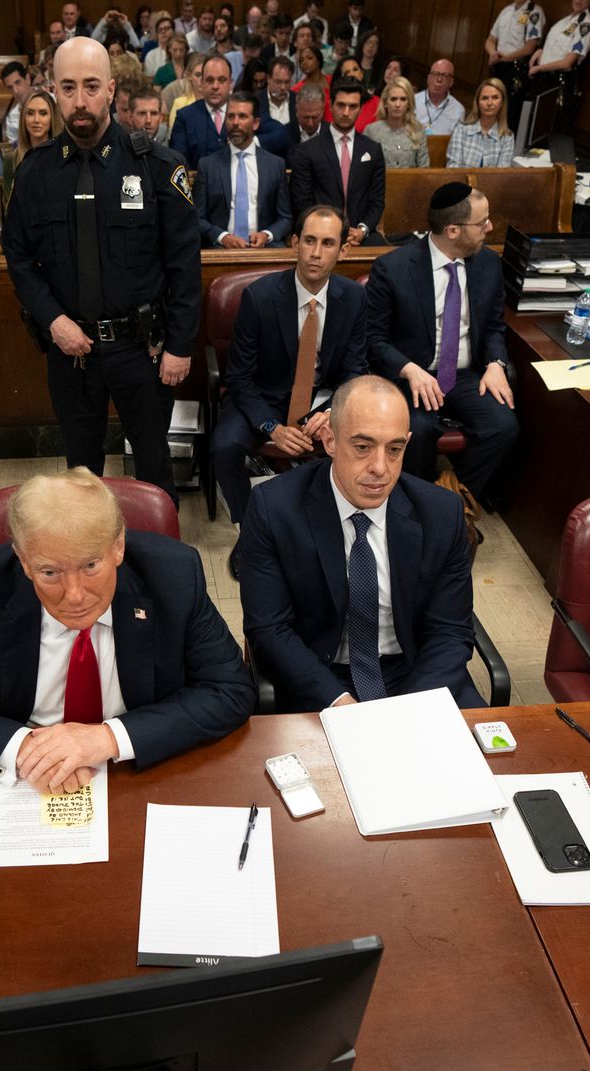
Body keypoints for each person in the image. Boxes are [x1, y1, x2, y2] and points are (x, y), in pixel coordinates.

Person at [0, 468, 254, 792]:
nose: (75, 595)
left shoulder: (173, 576)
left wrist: (108, 737)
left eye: (91, 565)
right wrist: (26, 748)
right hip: (24, 782)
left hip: (140, 772)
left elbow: (230, 689)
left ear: (118, 547)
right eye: (50, 573)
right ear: (25, 562)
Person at [2, 38, 202, 503]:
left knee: (154, 468)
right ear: (53, 91)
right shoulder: (36, 173)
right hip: (72, 352)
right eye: (67, 88)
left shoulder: (157, 167)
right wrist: (53, 321)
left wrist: (180, 346)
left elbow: (185, 266)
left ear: (111, 90)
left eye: (91, 86)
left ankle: (158, 564)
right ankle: (89, 563)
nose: (80, 100)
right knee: (81, 475)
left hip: (143, 351)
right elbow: (18, 258)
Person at [240, 375, 484, 711]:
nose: (380, 468)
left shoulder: (442, 513)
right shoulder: (274, 508)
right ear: (329, 440)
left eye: (395, 449)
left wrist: (405, 710)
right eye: (362, 447)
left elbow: (451, 631)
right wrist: (339, 703)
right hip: (318, 679)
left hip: (416, 674)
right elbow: (269, 629)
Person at [213, 205, 367, 530]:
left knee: (361, 437)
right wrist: (274, 428)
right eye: (309, 241)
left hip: (322, 397)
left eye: (327, 243)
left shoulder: (354, 298)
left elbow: (355, 371)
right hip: (263, 396)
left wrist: (332, 411)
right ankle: (248, 524)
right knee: (225, 446)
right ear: (294, 243)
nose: (315, 253)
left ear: (343, 249)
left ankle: (330, 522)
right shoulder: (259, 297)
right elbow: (238, 378)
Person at [365, 182, 517, 494]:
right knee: (418, 431)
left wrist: (496, 363)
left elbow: (493, 327)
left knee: (503, 427)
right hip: (413, 375)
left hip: (464, 375)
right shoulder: (392, 268)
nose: (489, 227)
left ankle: (454, 502)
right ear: (452, 231)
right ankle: (414, 499)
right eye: (482, 222)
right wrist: (408, 369)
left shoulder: (488, 264)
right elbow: (373, 338)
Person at [289, 78, 384, 247]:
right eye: (341, 105)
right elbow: (302, 203)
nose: (346, 112)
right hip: (320, 234)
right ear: (331, 105)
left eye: (353, 106)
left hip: (361, 235)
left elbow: (376, 201)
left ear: (361, 108)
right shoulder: (307, 150)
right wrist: (327, 231)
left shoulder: (373, 150)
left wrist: (362, 230)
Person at [197, 92, 291, 248]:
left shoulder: (275, 165)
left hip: (264, 248)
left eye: (242, 116)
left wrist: (266, 235)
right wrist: (223, 237)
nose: (235, 122)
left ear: (255, 123)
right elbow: (197, 218)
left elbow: (285, 218)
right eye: (231, 117)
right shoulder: (208, 165)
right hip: (220, 249)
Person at [526, 0, 590, 132]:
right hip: (544, 81)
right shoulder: (565, 21)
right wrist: (541, 50)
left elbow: (567, 62)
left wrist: (538, 68)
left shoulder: (586, 24)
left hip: (559, 85)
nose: (578, 1)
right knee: (532, 127)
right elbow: (557, 48)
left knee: (547, 130)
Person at [484, 0, 543, 130]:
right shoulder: (506, 11)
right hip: (497, 68)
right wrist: (493, 53)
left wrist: (503, 57)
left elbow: (529, 48)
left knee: (510, 115)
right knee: (490, 109)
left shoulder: (534, 12)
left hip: (517, 72)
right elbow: (490, 40)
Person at [170, 54, 234, 164]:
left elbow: (273, 133)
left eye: (222, 80)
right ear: (202, 83)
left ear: (230, 84)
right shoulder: (185, 116)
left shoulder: (244, 111)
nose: (215, 86)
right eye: (209, 80)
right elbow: (178, 162)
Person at [448, 78, 516, 168]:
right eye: (484, 98)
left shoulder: (507, 137)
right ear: (478, 103)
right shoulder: (461, 130)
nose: (489, 103)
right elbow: (453, 168)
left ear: (502, 103)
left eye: (495, 97)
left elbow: (501, 175)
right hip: (461, 182)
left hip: (492, 182)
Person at [362, 72, 426, 167]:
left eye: (403, 99)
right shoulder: (371, 131)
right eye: (393, 99)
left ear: (409, 103)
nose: (397, 105)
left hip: (410, 181)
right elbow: (364, 167)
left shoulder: (418, 129)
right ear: (385, 103)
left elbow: (424, 168)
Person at [411, 57, 465, 137]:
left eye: (445, 76)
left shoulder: (458, 110)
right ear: (428, 78)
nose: (439, 79)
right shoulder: (413, 101)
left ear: (451, 82)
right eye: (435, 74)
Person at [12, 89, 61, 170]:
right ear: (23, 118)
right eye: (30, 113)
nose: (36, 120)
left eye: (43, 113)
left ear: (52, 118)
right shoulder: (13, 158)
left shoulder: (64, 154)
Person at [334, 57, 379, 130]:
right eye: (346, 72)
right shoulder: (333, 101)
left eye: (355, 69)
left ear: (361, 74)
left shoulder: (376, 102)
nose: (352, 74)